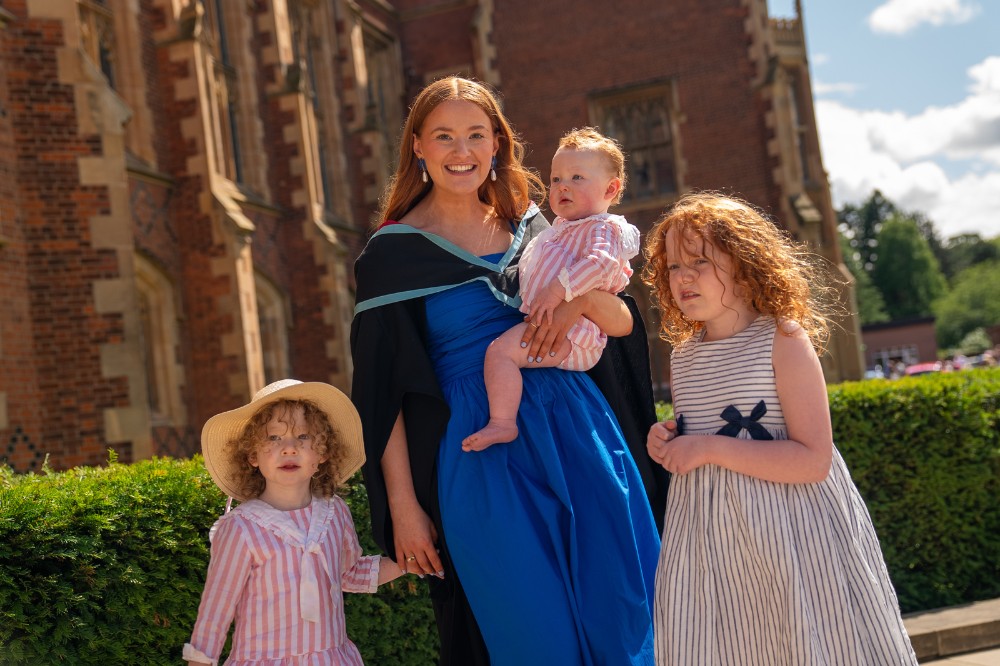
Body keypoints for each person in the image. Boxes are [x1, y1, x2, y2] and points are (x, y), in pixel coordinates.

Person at [350, 76, 662, 665]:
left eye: (476, 134)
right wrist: (405, 508)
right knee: (533, 636)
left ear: (498, 144)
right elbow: (382, 394)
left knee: (624, 619)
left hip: (579, 433)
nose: (461, 151)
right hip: (480, 451)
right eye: (443, 136)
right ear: (417, 145)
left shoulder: (543, 228)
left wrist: (575, 303)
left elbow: (620, 323)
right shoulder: (392, 256)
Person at [642, 193, 918, 665]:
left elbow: (813, 459)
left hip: (790, 535)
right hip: (714, 546)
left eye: (699, 262)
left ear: (746, 265)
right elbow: (697, 437)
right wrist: (666, 440)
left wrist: (708, 447)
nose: (682, 277)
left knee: (804, 642)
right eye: (672, 267)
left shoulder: (782, 339)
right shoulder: (684, 357)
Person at [183, 379, 405, 666]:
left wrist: (408, 562)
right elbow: (217, 610)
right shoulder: (241, 529)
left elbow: (348, 574)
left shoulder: (334, 513)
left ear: (322, 453)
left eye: (303, 437)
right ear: (252, 455)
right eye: (273, 438)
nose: (289, 448)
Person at [462, 128, 640, 450]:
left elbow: (601, 264)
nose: (562, 187)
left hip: (576, 333)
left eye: (576, 178)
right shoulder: (560, 230)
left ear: (610, 189)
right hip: (558, 328)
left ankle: (502, 423)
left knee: (500, 353)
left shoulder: (604, 228)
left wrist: (560, 290)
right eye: (556, 179)